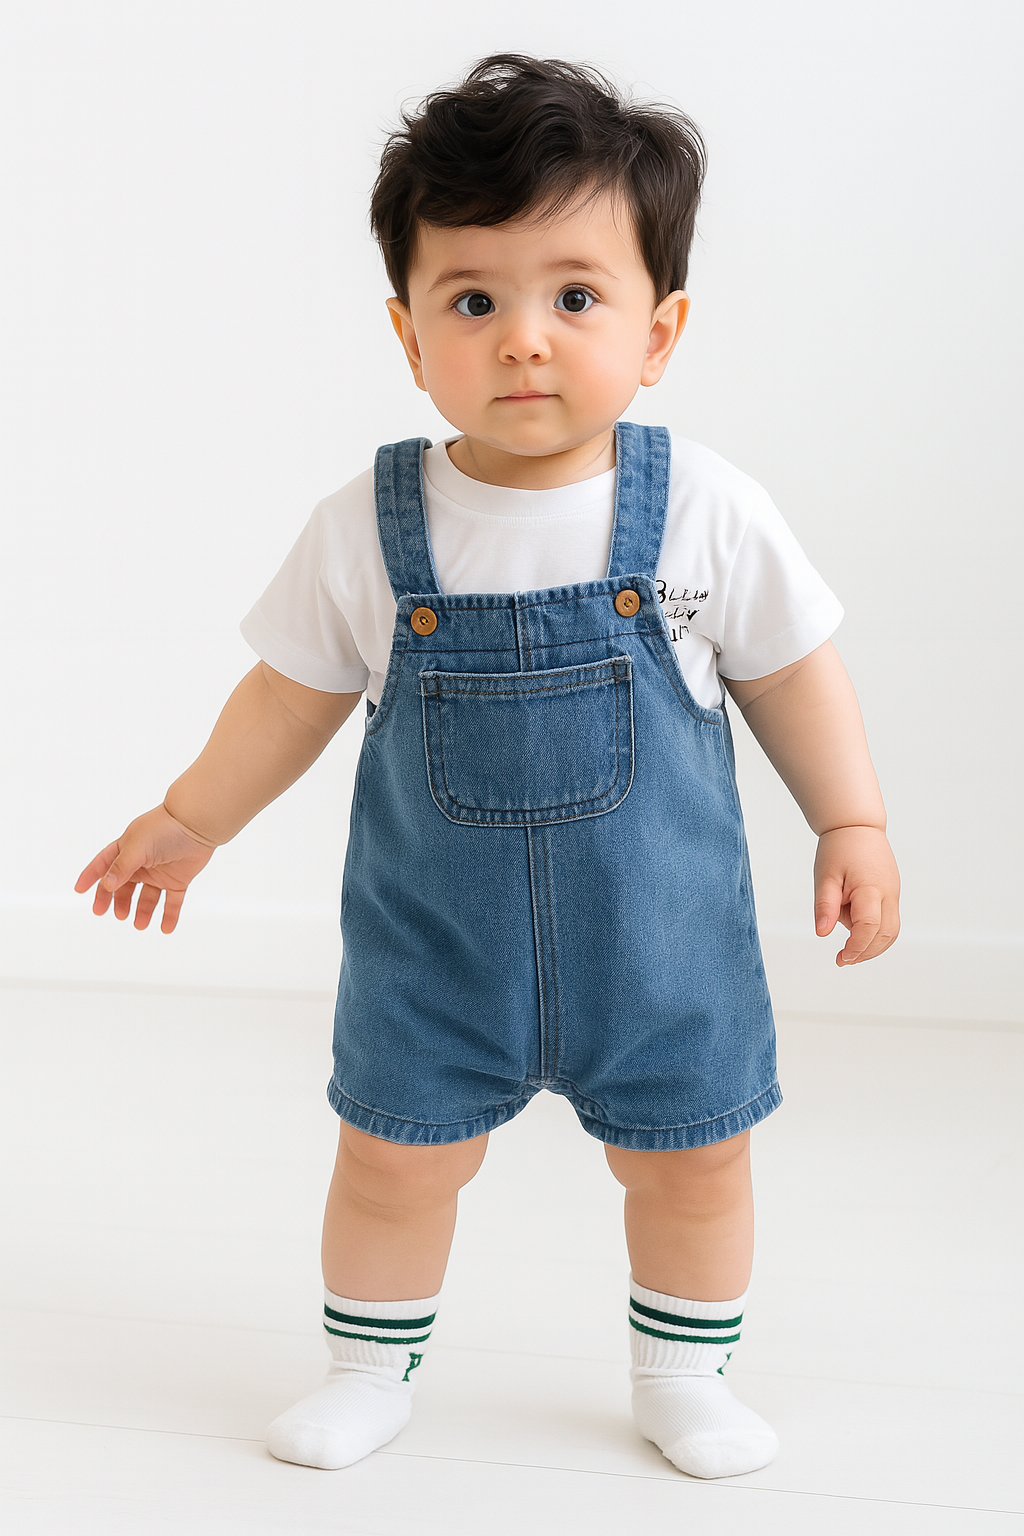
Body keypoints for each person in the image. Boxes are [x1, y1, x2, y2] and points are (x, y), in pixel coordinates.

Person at [75, 54, 900, 1481]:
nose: (526, 338)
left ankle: (686, 1376)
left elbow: (791, 667)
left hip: (660, 943)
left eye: (575, 295)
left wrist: (854, 818)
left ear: (660, 330)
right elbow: (290, 695)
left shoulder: (700, 507)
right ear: (408, 335)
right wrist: (185, 817)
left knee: (692, 1158)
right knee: (392, 1157)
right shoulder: (373, 524)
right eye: (475, 300)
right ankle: (366, 1366)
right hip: (433, 945)